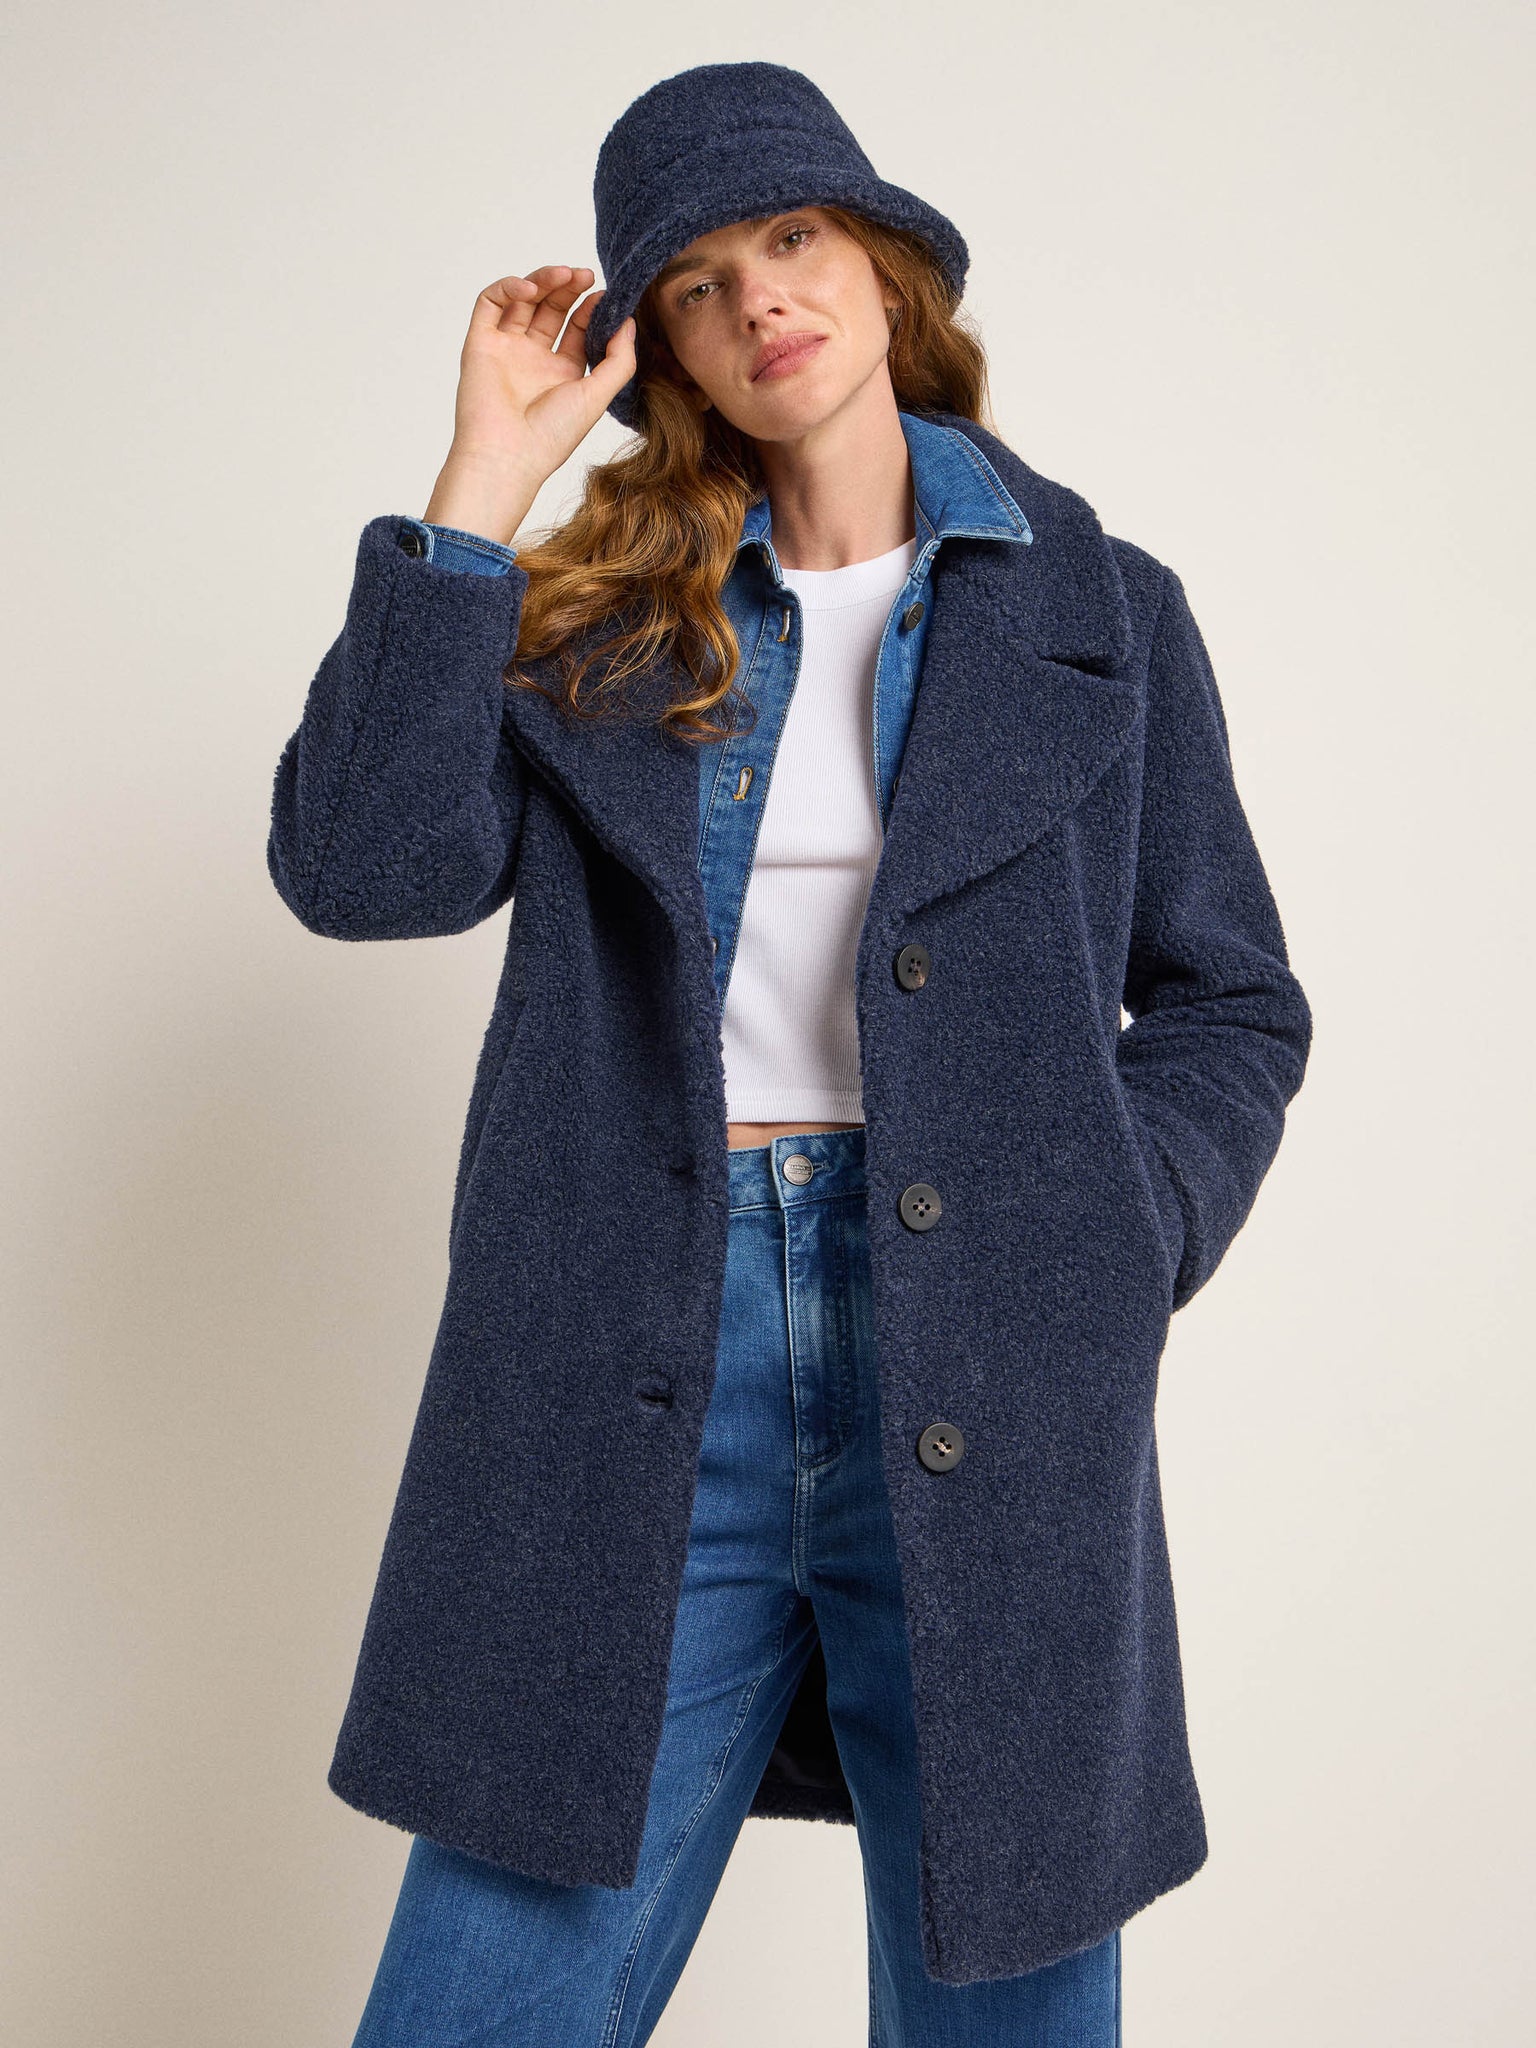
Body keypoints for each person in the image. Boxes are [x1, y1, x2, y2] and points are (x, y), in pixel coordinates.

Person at [267, 61, 1312, 2048]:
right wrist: (477, 493)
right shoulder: (597, 629)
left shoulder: (1104, 614)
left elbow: (1230, 999)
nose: (761, 300)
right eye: (697, 284)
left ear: (884, 267)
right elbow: (363, 873)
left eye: (795, 238)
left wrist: (1120, 1225)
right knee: (489, 1989)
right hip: (641, 1343)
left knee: (1005, 1991)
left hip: (996, 1350)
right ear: (658, 349)